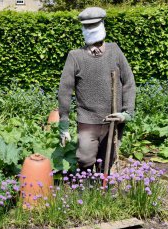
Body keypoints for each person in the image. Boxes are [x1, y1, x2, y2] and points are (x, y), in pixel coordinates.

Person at [58, 7, 136, 172]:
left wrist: (126, 113)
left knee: (108, 159)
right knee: (85, 159)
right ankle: (86, 190)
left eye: (94, 25)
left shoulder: (115, 51)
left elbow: (129, 81)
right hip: (87, 119)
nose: (91, 29)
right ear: (83, 29)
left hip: (113, 119)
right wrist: (63, 123)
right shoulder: (75, 56)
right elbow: (65, 90)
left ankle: (102, 192)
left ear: (102, 25)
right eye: (87, 26)